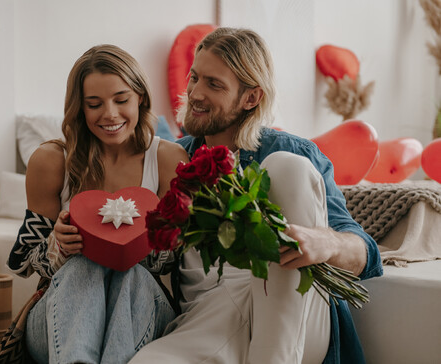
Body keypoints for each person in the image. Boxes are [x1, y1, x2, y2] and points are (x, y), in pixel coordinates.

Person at [128, 27, 383, 364]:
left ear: (251, 98)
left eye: (214, 84)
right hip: (207, 319)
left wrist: (327, 243)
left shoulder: (292, 151)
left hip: (296, 319)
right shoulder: (171, 159)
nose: (195, 93)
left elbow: (367, 254)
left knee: (284, 167)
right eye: (194, 78)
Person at [6, 44, 189, 364]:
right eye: (94, 104)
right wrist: (58, 246)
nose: (110, 114)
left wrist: (141, 242)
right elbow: (22, 262)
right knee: (84, 262)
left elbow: (178, 266)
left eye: (121, 100)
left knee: (129, 272)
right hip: (56, 322)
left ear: (141, 98)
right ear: (80, 108)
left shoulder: (166, 160)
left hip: (142, 311)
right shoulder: (51, 161)